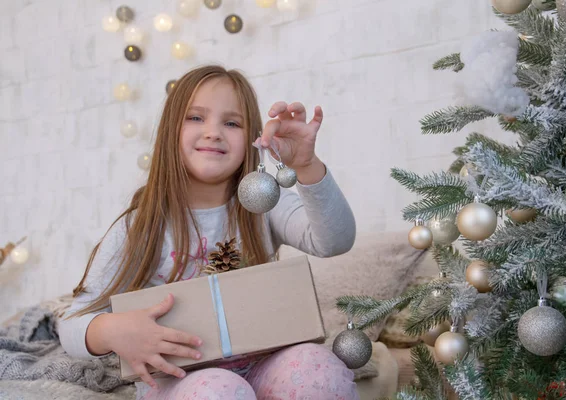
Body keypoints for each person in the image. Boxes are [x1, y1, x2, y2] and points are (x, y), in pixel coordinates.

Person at [59, 65, 358, 400]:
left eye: (231, 123)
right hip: (180, 379)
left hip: (265, 362)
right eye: (196, 118)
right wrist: (112, 331)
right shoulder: (139, 227)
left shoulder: (265, 205)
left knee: (318, 367)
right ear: (170, 131)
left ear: (251, 139)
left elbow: (335, 241)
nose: (214, 132)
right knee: (219, 391)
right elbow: (72, 323)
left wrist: (306, 164)